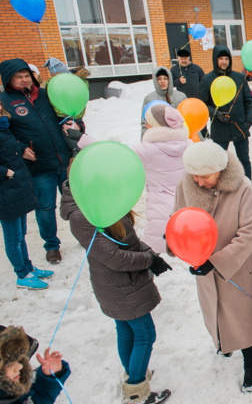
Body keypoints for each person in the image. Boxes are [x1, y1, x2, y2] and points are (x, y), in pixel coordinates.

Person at [61, 181, 172, 404]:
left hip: (123, 283)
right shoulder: (82, 215)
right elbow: (115, 258)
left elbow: (128, 240)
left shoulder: (99, 199)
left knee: (126, 330)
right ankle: (135, 393)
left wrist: (150, 253)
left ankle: (134, 373)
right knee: (144, 334)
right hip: (119, 284)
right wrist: (149, 260)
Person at [172, 142, 252, 393]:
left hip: (239, 264)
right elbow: (179, 218)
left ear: (220, 171)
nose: (199, 181)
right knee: (217, 311)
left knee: (245, 317)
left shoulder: (244, 188)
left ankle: (251, 364)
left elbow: (249, 233)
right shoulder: (187, 184)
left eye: (205, 176)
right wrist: (180, 246)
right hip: (203, 261)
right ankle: (223, 343)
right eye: (194, 176)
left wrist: (216, 262)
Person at [67, 104, 192, 254]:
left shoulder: (148, 150)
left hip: (160, 209)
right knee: (187, 248)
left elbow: (116, 154)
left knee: (151, 252)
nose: (145, 124)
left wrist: (82, 139)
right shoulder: (189, 145)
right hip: (185, 206)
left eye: (147, 120)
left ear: (156, 125)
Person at [0, 59, 75, 264]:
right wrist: (20, 147)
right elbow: (3, 134)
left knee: (76, 203)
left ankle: (84, 235)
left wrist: (73, 124)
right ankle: (51, 246)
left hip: (63, 158)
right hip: (38, 165)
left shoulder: (44, 94)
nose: (25, 80)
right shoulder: (5, 100)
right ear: (9, 80)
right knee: (45, 207)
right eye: (19, 77)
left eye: (27, 76)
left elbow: (63, 114)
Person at [0, 105, 52, 289]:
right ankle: (22, 275)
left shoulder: (4, 127)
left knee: (21, 234)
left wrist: (22, 148)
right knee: (13, 238)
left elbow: (9, 146)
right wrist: (5, 172)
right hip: (5, 192)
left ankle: (28, 268)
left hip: (17, 188)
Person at [198, 45, 252, 180]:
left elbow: (248, 101)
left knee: (244, 160)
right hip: (219, 127)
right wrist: (215, 114)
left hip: (240, 126)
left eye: (226, 59)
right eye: (220, 59)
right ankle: (220, 191)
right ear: (215, 60)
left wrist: (248, 121)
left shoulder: (239, 78)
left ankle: (248, 190)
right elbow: (202, 104)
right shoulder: (207, 79)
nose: (224, 62)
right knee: (219, 162)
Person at [141, 67, 187, 137]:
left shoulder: (181, 96)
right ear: (155, 81)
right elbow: (144, 123)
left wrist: (199, 139)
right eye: (159, 79)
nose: (163, 81)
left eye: (165, 78)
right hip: (159, 138)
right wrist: (144, 141)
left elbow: (189, 119)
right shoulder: (149, 99)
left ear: (170, 80)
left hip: (179, 137)